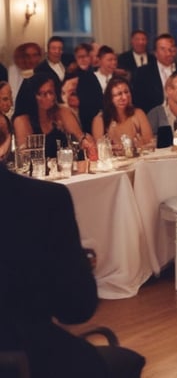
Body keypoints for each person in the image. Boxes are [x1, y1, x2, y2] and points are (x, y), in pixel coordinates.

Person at [0, 127, 146, 378]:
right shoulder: (42, 200)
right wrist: (78, 265)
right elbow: (75, 309)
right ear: (5, 143)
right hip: (28, 355)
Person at [13, 73, 93, 159]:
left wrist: (85, 143)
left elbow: (80, 138)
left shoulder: (61, 111)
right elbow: (24, 157)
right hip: (38, 169)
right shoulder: (22, 120)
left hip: (65, 166)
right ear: (32, 96)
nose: (50, 97)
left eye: (51, 92)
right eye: (43, 94)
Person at [91, 77, 153, 154]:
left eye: (126, 92)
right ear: (110, 98)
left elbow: (151, 144)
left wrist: (140, 147)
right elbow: (98, 150)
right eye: (119, 94)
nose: (124, 97)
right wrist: (110, 149)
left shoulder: (138, 114)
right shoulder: (100, 120)